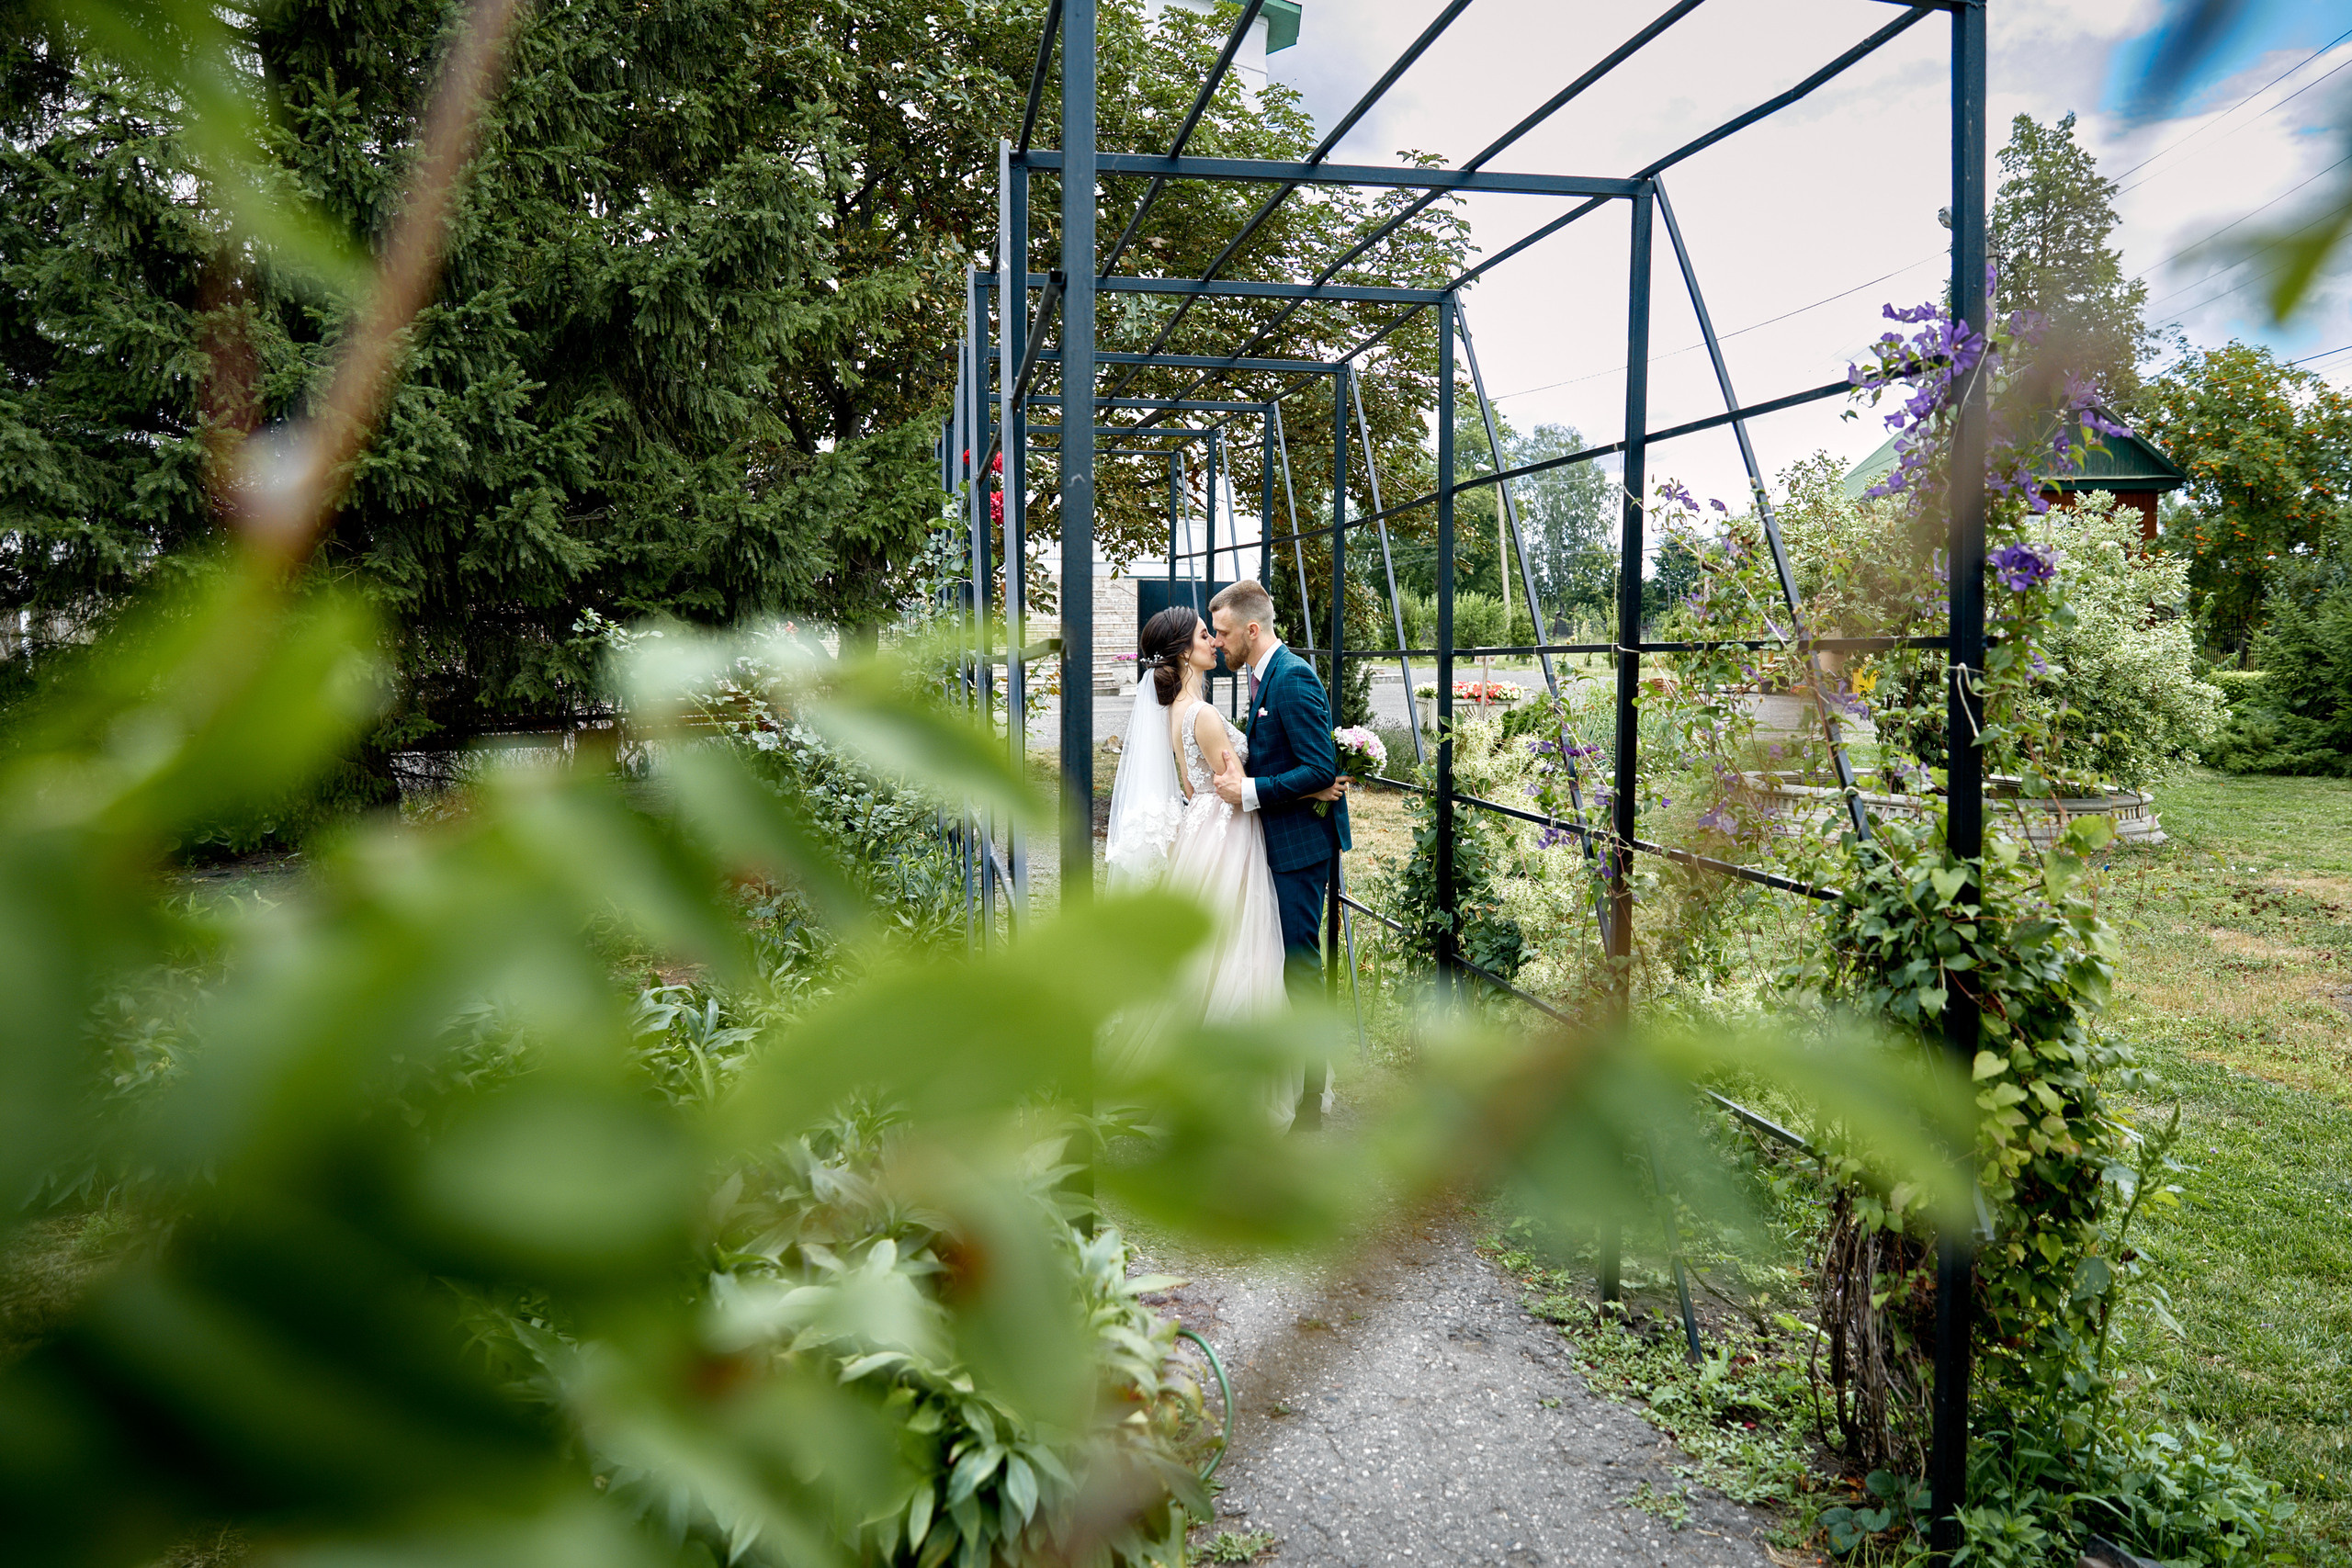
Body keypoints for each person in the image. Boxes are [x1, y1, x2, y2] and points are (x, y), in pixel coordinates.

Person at [1102, 603, 1301, 1128]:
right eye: (1203, 635)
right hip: (1227, 832)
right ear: (1185, 653)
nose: (1214, 640)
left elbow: (1191, 786)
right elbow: (1233, 784)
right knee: (1238, 949)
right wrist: (1313, 773)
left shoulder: (1175, 712)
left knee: (1205, 961)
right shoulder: (1204, 714)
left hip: (1201, 829)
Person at [1207, 580, 1351, 1126]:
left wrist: (1248, 792)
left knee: (1301, 968)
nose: (1217, 643)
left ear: (1251, 629)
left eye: (1222, 633)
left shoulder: (1291, 680)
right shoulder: (1263, 676)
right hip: (1276, 839)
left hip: (1298, 848)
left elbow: (1320, 766)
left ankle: (1313, 1098)